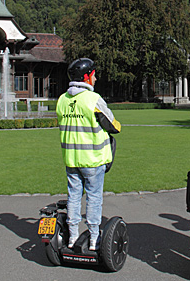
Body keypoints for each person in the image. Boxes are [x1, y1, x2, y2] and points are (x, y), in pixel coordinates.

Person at [56, 58, 121, 251]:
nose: (95, 77)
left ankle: (72, 236)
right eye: (93, 74)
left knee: (73, 197)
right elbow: (112, 125)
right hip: (92, 160)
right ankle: (94, 238)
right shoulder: (93, 99)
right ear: (86, 77)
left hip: (71, 159)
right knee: (94, 197)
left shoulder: (62, 100)